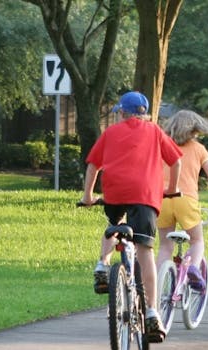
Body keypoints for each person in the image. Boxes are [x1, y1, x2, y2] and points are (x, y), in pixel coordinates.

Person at [79, 91, 180, 343]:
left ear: (123, 112)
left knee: (114, 226)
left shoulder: (110, 133)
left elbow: (93, 164)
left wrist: (88, 196)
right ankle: (153, 313)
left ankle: (102, 265)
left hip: (114, 194)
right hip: (145, 196)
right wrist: (171, 190)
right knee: (145, 250)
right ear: (144, 113)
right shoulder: (155, 131)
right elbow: (175, 160)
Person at [156, 110, 208, 292]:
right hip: (186, 200)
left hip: (162, 199)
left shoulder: (162, 146)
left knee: (165, 247)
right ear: (195, 129)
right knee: (197, 240)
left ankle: (157, 283)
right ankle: (193, 266)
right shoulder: (199, 149)